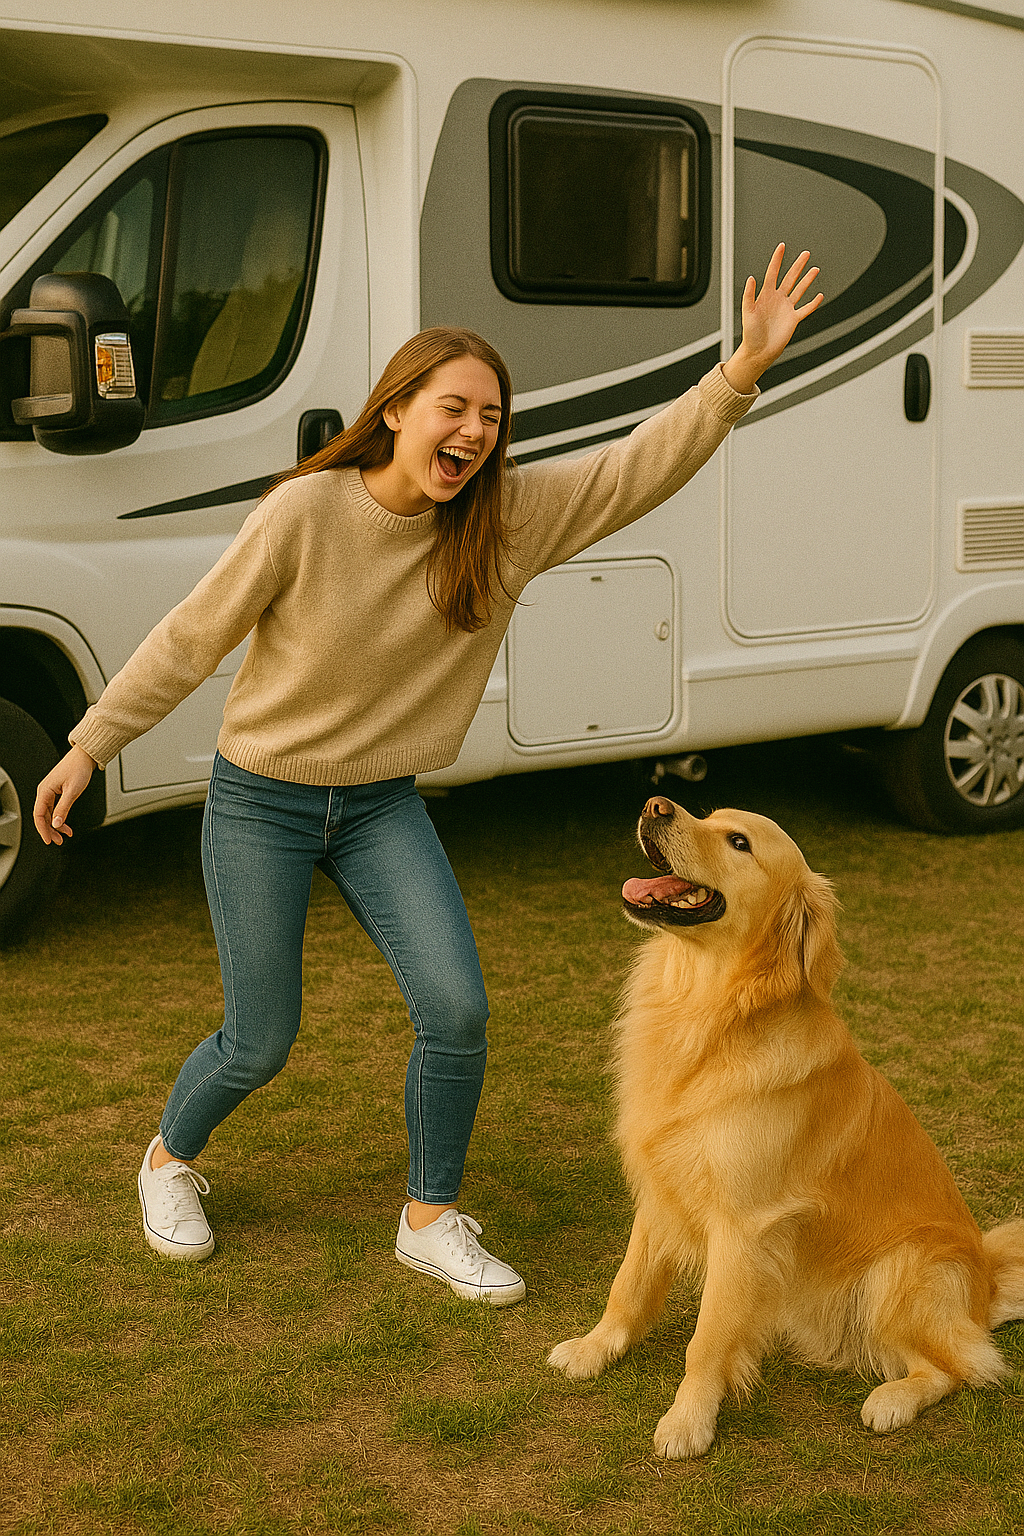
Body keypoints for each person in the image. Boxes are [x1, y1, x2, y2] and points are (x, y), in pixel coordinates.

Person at [34, 244, 822, 1305]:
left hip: (378, 807)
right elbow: (190, 636)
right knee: (260, 1037)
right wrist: (89, 744)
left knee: (456, 1009)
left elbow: (640, 465)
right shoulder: (307, 512)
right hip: (261, 799)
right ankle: (169, 1160)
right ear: (398, 409)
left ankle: (430, 1216)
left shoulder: (506, 523)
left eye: (492, 417)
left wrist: (740, 371)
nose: (474, 432)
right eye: (454, 407)